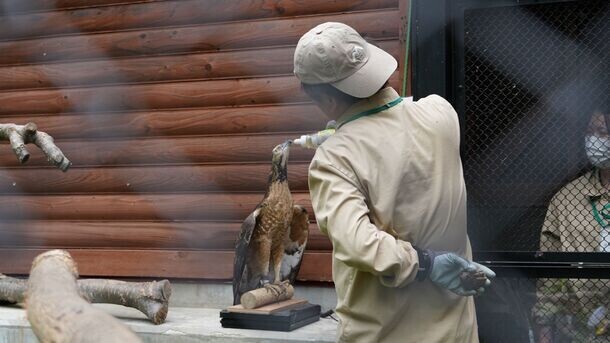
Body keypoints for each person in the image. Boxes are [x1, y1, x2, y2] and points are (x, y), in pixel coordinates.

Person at [293, 22, 495, 342]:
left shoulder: (334, 158)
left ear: (321, 98)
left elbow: (359, 244)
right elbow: (399, 124)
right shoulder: (441, 114)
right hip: (457, 331)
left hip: (385, 333)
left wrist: (426, 264)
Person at [535, 110, 610, 342]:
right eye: (589, 132)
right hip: (581, 333)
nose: (593, 140)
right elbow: (549, 276)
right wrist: (543, 330)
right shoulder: (567, 199)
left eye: (602, 132)